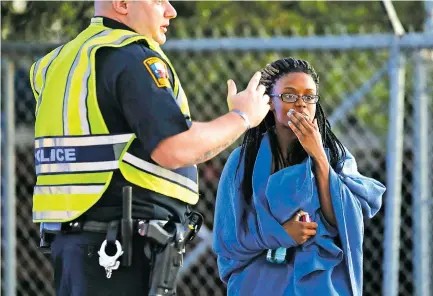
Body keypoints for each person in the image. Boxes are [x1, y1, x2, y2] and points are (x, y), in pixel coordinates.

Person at [29, 1, 270, 295]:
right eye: (158, 0)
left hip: (74, 249)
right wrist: (242, 117)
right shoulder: (128, 55)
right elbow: (175, 148)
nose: (171, 11)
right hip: (121, 253)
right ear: (122, 3)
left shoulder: (59, 62)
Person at [212, 57, 386, 296]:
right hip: (259, 284)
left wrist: (319, 158)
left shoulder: (335, 157)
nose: (301, 104)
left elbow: (344, 220)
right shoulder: (243, 161)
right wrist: (281, 234)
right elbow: (228, 240)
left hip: (319, 285)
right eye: (290, 96)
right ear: (270, 103)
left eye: (309, 97)